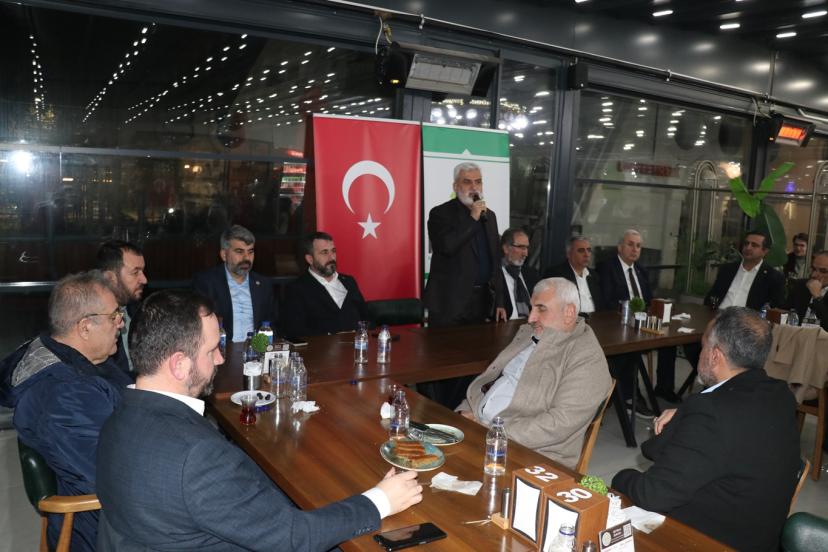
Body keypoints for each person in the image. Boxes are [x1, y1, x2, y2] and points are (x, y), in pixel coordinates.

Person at [95, 289, 422, 551]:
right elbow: (293, 538)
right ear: (179, 364)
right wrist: (380, 500)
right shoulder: (196, 456)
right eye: (212, 350)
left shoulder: (117, 419)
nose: (220, 359)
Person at [612, 307, 800, 552]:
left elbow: (653, 495)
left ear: (715, 356)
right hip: (759, 536)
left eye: (702, 347)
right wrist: (685, 414)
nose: (700, 354)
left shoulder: (711, 412)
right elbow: (732, 432)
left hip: (708, 541)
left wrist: (621, 477)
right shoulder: (780, 395)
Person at [0, 271, 128, 552]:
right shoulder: (65, 395)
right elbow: (114, 478)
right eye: (114, 316)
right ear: (85, 327)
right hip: (102, 531)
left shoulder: (75, 357)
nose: (121, 323)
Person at [456, 278, 611, 469]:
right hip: (481, 430)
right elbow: (493, 382)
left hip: (530, 456)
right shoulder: (532, 334)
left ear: (569, 312)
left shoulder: (586, 357)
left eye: (541, 309)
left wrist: (489, 432)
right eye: (532, 308)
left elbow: (558, 424)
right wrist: (464, 412)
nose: (530, 318)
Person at [596, 230, 672, 412]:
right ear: (620, 247)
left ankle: (664, 388)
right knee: (630, 348)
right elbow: (606, 302)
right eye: (630, 244)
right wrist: (630, 313)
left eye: (638, 246)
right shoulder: (607, 268)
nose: (635, 249)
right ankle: (630, 395)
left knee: (669, 341)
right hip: (618, 323)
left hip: (641, 323)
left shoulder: (641, 270)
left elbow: (649, 300)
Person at [423, 161, 499, 327]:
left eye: (478, 182)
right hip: (449, 303)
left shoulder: (490, 216)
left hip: (482, 302)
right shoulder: (440, 213)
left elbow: (495, 260)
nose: (474, 187)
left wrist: (500, 300)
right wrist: (472, 218)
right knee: (445, 345)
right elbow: (447, 246)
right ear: (455, 186)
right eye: (467, 182)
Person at [192, 225, 275, 342]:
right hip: (222, 349)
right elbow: (199, 327)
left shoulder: (263, 285)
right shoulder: (206, 283)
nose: (246, 258)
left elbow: (272, 324)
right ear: (224, 255)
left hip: (256, 349)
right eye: (239, 251)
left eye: (250, 252)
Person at [278, 231, 368, 339]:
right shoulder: (296, 289)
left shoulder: (348, 282)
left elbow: (366, 318)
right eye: (324, 252)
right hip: (321, 348)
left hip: (358, 345)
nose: (331, 257)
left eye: (333, 251)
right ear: (310, 259)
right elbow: (295, 331)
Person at [96, 239, 147, 373]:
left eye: (143, 271)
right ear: (109, 278)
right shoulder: (93, 322)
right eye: (135, 272)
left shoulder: (138, 310)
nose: (144, 280)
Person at [704, 230, 785, 310]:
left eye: (754, 245)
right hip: (719, 314)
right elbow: (711, 297)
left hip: (748, 317)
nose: (748, 248)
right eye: (746, 244)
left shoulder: (773, 277)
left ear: (765, 251)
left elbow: (775, 307)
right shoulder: (727, 269)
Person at [544, 235, 603, 315]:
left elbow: (600, 305)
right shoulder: (556, 274)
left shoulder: (594, 275)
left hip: (595, 319)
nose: (586, 254)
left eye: (589, 250)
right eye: (581, 251)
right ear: (569, 254)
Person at [494, 228, 540, 321]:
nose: (525, 253)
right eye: (521, 247)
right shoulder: (494, 276)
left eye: (527, 248)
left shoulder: (531, 274)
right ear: (506, 248)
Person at [786, 250, 828, 331]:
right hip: (796, 334)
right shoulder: (801, 285)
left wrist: (817, 297)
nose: (814, 275)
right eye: (814, 269)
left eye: (823, 271)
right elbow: (784, 312)